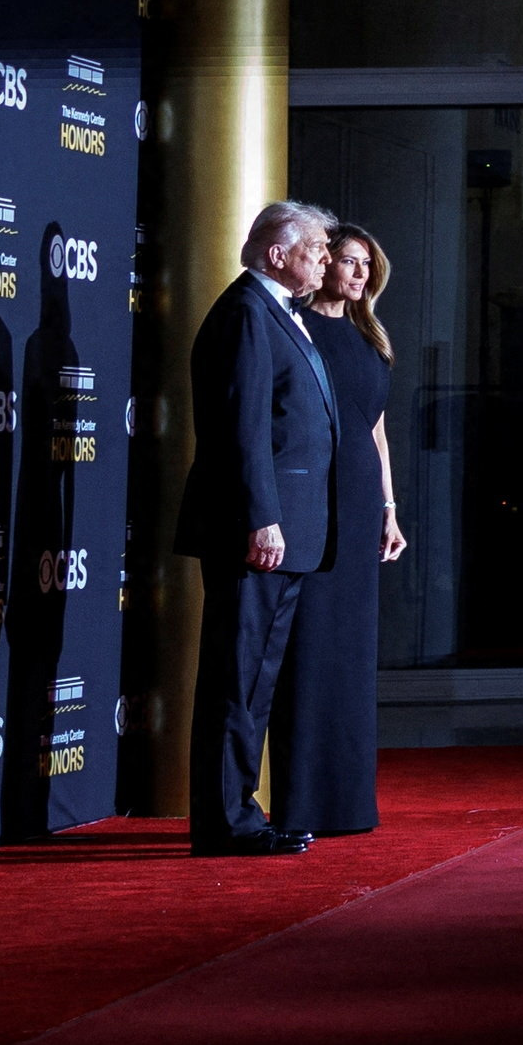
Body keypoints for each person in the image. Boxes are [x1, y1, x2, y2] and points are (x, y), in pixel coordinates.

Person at [179, 200, 345, 857]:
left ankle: (238, 812)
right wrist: (263, 520)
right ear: (279, 253)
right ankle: (227, 822)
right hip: (257, 535)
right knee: (236, 676)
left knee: (253, 678)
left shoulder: (277, 312)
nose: (327, 261)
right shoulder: (248, 313)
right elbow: (243, 430)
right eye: (317, 250)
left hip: (285, 533)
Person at [274, 223, 406, 838]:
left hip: (358, 510)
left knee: (352, 656)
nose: (358, 274)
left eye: (366, 267)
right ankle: (301, 803)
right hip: (313, 506)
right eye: (348, 261)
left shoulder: (370, 338)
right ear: (322, 263)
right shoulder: (296, 330)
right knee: (309, 652)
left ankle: (349, 805)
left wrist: (389, 506)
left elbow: (375, 429)